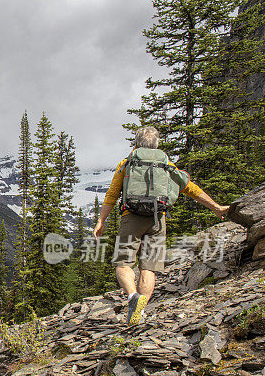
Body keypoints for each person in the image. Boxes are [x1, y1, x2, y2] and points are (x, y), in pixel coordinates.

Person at [92, 126, 229, 325]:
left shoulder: (127, 163)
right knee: (149, 267)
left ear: (136, 144)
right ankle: (141, 312)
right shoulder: (166, 165)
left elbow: (112, 195)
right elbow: (190, 188)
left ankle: (132, 297)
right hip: (157, 220)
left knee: (123, 263)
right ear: (157, 145)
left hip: (131, 218)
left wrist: (101, 220)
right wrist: (215, 207)